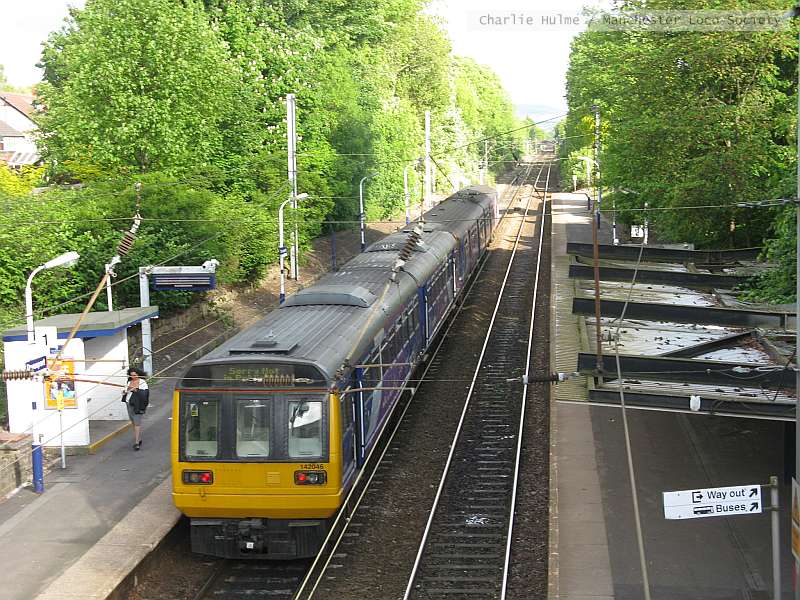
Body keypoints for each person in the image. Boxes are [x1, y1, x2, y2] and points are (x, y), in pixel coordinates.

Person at [122, 367, 149, 450]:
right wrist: (125, 391)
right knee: (133, 422)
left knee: (137, 423)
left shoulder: (142, 382)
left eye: (135, 375)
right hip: (129, 404)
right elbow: (125, 391)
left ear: (138, 375)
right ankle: (139, 439)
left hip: (138, 405)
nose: (133, 377)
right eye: (131, 375)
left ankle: (137, 443)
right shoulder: (129, 381)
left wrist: (136, 390)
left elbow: (145, 394)